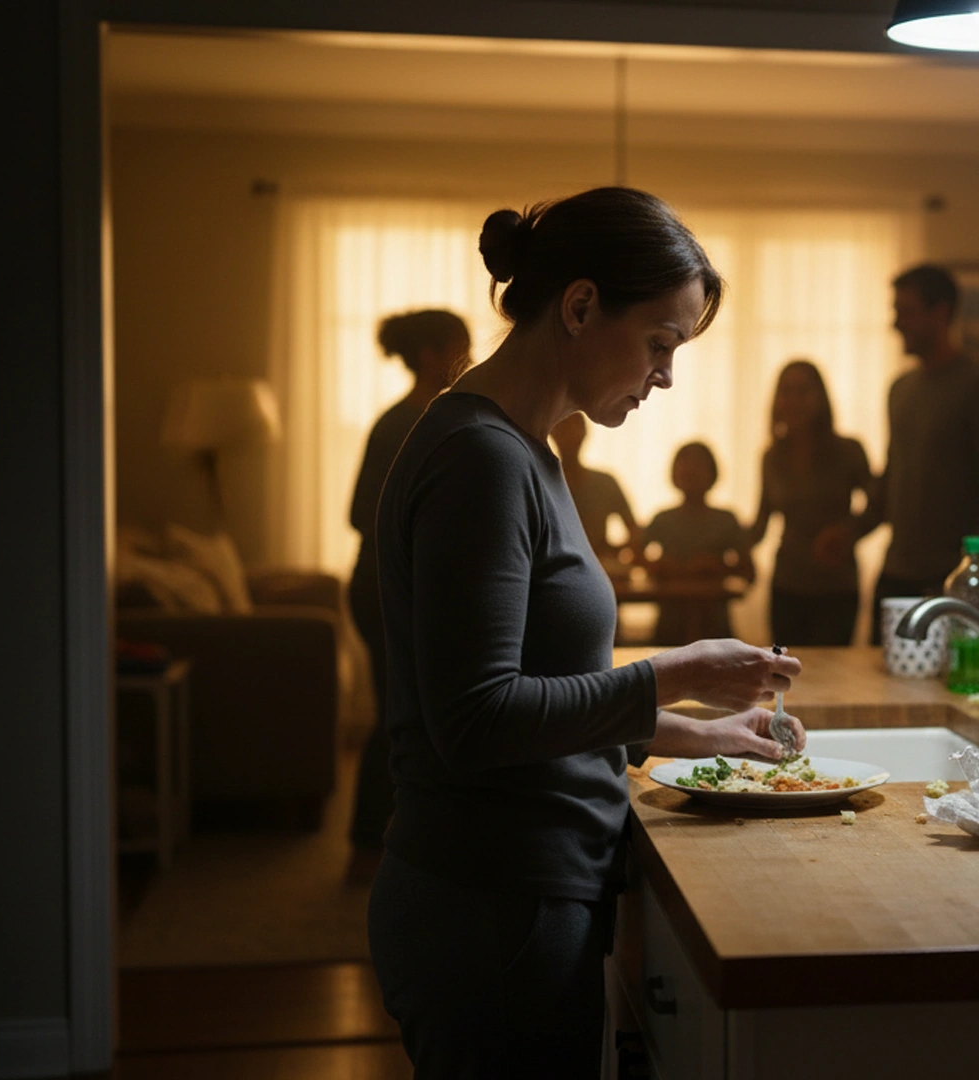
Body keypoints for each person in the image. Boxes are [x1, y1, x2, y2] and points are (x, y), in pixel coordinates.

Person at [365, 187, 804, 1078]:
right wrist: (671, 673)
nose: (666, 375)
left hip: (521, 891)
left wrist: (690, 734)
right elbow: (478, 719)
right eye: (659, 344)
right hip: (490, 907)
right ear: (578, 305)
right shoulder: (480, 460)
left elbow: (540, 688)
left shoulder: (528, 450)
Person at [346, 309, 471, 872]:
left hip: (393, 584)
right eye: (459, 345)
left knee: (411, 707)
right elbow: (360, 513)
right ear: (429, 355)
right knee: (401, 709)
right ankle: (368, 842)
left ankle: (383, 836)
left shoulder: (430, 417)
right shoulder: (404, 422)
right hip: (381, 587)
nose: (470, 356)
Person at [857, 263, 979, 643]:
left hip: (950, 579)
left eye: (906, 312)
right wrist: (850, 532)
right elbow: (893, 478)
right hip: (895, 571)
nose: (896, 323)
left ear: (941, 312)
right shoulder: (901, 389)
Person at [748, 359, 875, 646]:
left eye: (802, 391)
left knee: (833, 675)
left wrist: (847, 533)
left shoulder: (848, 451)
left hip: (836, 585)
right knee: (786, 678)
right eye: (786, 391)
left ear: (820, 398)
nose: (793, 400)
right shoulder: (772, 457)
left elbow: (878, 506)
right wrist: (724, 546)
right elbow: (760, 523)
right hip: (786, 583)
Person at [642, 441, 752, 644]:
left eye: (698, 465)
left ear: (712, 474)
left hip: (714, 621)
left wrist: (718, 567)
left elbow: (749, 571)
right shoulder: (662, 519)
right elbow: (635, 556)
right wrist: (658, 566)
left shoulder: (726, 520)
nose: (691, 471)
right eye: (685, 464)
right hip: (670, 619)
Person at [550, 410, 640, 575]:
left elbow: (634, 530)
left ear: (584, 433)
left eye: (574, 427)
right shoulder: (543, 480)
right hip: (554, 570)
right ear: (552, 432)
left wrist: (615, 552)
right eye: (562, 428)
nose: (569, 435)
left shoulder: (605, 483)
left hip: (596, 569)